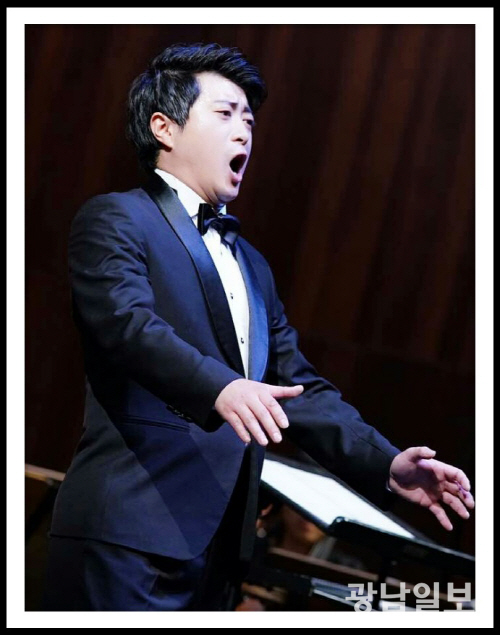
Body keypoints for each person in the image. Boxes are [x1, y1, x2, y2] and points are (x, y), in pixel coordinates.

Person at [43, 42, 474, 611]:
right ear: (164, 128)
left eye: (249, 119)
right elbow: (125, 325)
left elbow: (299, 386)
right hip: (129, 534)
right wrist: (220, 386)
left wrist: (386, 464)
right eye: (225, 113)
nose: (244, 130)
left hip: (223, 551)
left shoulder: (252, 265)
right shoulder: (118, 218)